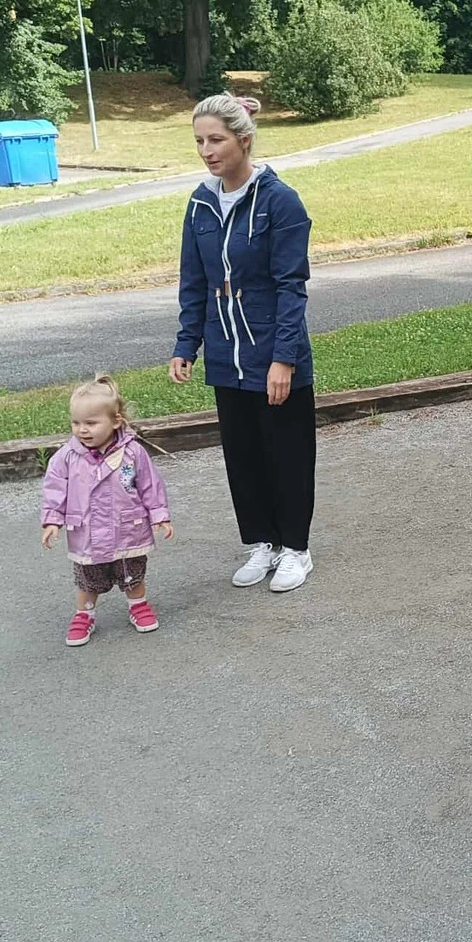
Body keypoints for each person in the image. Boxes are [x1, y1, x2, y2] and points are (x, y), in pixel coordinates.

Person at [169, 92, 317, 594]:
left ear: (244, 140)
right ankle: (263, 543)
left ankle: (295, 549)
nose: (206, 151)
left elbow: (291, 287)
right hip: (225, 356)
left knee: (286, 454)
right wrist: (186, 344)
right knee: (243, 455)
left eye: (216, 140)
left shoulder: (280, 201)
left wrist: (284, 359)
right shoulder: (200, 203)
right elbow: (194, 280)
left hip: (272, 354)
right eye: (199, 141)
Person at [41, 375, 173, 647]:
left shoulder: (132, 453)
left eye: (91, 423)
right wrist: (52, 520)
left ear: (116, 421)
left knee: (132, 572)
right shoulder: (66, 457)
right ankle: (84, 614)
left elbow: (150, 485)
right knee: (87, 578)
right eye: (76, 423)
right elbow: (55, 489)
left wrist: (159, 514)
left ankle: (138, 604)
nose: (82, 430)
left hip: (127, 529)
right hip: (87, 532)